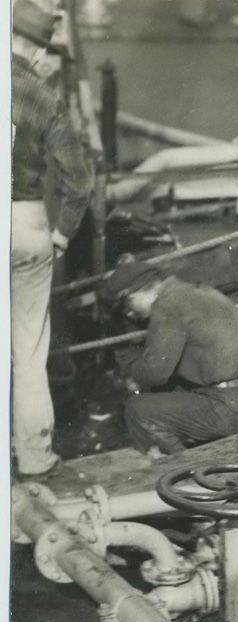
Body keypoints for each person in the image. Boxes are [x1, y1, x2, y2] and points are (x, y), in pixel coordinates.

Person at [11, 0, 94, 478]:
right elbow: (78, 182)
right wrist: (62, 235)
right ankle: (36, 458)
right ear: (39, 52)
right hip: (26, 225)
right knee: (28, 354)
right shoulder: (46, 97)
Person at [99, 263, 238, 456]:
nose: (129, 313)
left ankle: (181, 468)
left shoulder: (166, 305)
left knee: (137, 409)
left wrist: (129, 363)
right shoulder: (201, 292)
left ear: (136, 293)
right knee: (167, 392)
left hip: (228, 411)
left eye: (126, 305)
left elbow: (155, 374)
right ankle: (186, 456)